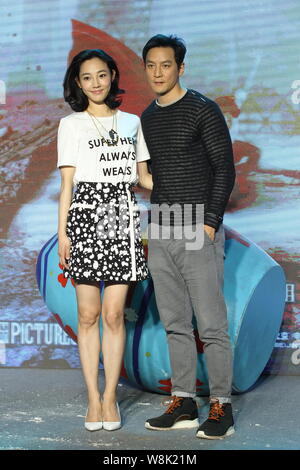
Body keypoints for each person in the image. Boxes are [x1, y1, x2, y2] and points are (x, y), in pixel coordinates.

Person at [140, 35, 236, 439]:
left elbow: (224, 170)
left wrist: (210, 223)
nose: (158, 72)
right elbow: (151, 176)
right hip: (161, 225)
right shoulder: (145, 117)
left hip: (198, 225)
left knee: (211, 324)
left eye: (166, 65)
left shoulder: (203, 109)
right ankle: (183, 403)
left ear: (181, 67)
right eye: (151, 65)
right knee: (175, 322)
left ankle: (221, 407)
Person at [57, 49, 153, 432]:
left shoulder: (132, 122)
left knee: (114, 315)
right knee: (88, 315)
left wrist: (186, 184)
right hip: (85, 213)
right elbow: (67, 186)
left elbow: (143, 178)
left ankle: (111, 396)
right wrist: (63, 232)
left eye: (101, 75)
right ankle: (93, 399)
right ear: (78, 83)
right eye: (87, 77)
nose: (96, 83)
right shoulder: (71, 125)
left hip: (120, 215)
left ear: (112, 76)